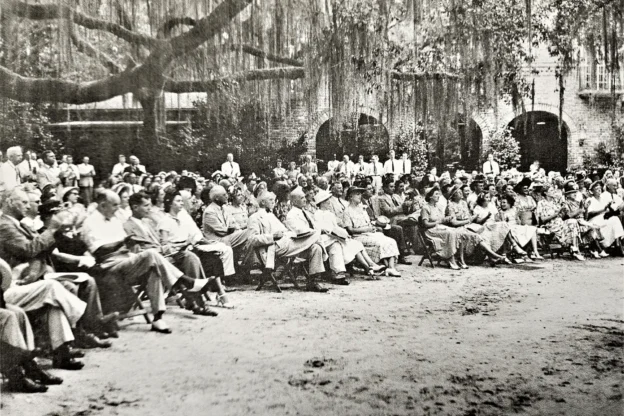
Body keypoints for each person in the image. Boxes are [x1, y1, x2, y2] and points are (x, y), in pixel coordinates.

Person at [81, 190, 211, 333]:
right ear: (102, 205)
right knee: (150, 254)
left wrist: (127, 244)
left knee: (153, 269)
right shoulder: (90, 222)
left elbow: (125, 244)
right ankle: (186, 282)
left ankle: (158, 318)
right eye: (114, 205)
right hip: (109, 265)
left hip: (127, 259)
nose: (118, 208)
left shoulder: (114, 219)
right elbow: (98, 251)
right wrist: (123, 242)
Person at [0, 188, 87, 369]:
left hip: (25, 280)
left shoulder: (19, 224)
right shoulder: (4, 225)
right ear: (8, 202)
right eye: (23, 202)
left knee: (53, 301)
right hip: (10, 285)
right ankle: (82, 322)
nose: (28, 206)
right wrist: (52, 229)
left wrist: (55, 232)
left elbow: (40, 250)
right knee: (51, 288)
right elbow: (29, 250)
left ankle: (61, 353)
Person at [123, 192, 218, 315]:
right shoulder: (127, 226)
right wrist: (167, 249)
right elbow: (135, 252)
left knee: (191, 257)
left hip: (164, 256)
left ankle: (198, 303)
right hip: (147, 262)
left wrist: (176, 247)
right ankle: (193, 294)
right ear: (135, 207)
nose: (149, 208)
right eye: (146, 205)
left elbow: (160, 244)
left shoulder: (147, 223)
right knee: (185, 256)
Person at [246, 191, 329, 292]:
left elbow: (284, 231)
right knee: (315, 235)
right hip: (273, 247)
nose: (274, 202)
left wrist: (288, 232)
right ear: (263, 202)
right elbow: (252, 239)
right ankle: (315, 236)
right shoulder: (254, 217)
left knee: (316, 248)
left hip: (286, 243)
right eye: (271, 200)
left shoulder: (271, 215)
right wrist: (272, 236)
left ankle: (313, 281)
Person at [314, 190, 385, 279]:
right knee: (352, 245)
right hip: (325, 238)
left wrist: (342, 233)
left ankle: (371, 265)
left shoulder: (330, 214)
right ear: (322, 203)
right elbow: (319, 229)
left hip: (334, 236)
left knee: (356, 244)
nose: (329, 202)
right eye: (326, 200)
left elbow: (336, 227)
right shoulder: (317, 214)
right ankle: (369, 267)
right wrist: (332, 231)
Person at [286, 187, 349, 285]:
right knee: (333, 241)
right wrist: (317, 231)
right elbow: (299, 231)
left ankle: (337, 273)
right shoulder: (291, 215)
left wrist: (320, 230)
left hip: (313, 239)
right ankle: (319, 277)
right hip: (301, 243)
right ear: (294, 201)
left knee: (335, 243)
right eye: (302, 198)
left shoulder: (305, 212)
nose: (305, 200)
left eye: (304, 197)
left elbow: (315, 226)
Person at [343, 187, 401, 276]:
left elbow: (368, 223)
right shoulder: (347, 211)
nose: (360, 196)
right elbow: (350, 230)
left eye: (360, 194)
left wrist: (373, 227)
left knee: (391, 241)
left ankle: (390, 268)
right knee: (380, 243)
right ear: (351, 196)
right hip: (358, 236)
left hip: (369, 234)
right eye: (357, 194)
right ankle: (386, 267)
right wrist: (366, 229)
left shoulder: (362, 209)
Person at [536, 183, 585, 260]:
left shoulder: (556, 202)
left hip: (560, 222)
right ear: (545, 193)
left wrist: (563, 212)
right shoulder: (541, 203)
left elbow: (561, 216)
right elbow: (542, 219)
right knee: (569, 226)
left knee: (573, 222)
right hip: (550, 225)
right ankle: (574, 250)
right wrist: (557, 213)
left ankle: (575, 248)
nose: (554, 192)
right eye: (551, 190)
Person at [202, 185, 250, 253]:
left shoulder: (224, 208)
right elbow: (222, 232)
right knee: (250, 231)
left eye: (226, 194)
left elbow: (233, 224)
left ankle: (251, 262)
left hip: (228, 238)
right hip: (218, 241)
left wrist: (237, 230)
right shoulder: (209, 212)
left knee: (251, 237)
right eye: (224, 195)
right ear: (217, 198)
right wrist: (235, 230)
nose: (227, 196)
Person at [496, 194, 543, 259]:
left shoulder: (514, 209)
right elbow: (503, 224)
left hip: (517, 227)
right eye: (501, 202)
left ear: (509, 203)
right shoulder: (501, 212)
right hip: (509, 229)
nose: (502, 204)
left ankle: (535, 251)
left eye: (504, 202)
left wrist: (517, 218)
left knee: (533, 229)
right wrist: (502, 215)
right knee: (522, 230)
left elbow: (519, 222)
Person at [585, 181, 624, 252]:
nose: (599, 190)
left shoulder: (603, 199)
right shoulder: (590, 200)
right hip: (594, 219)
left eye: (600, 189)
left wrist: (610, 208)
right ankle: (617, 245)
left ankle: (618, 244)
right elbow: (590, 213)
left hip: (603, 219)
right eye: (597, 189)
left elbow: (608, 210)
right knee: (614, 220)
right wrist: (603, 209)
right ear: (592, 191)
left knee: (615, 219)